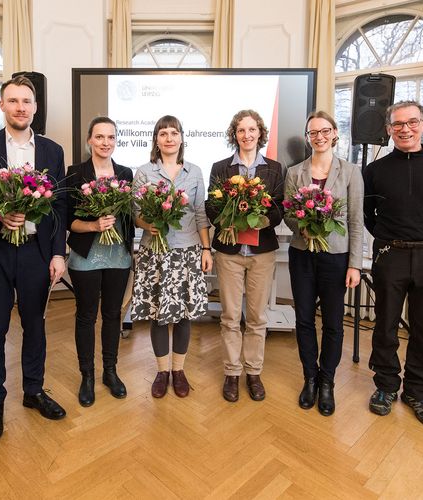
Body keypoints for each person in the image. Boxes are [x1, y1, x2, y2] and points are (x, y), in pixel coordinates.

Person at [0, 76, 68, 441]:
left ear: (35, 107)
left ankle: (34, 391)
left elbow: (58, 205)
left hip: (36, 254)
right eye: (13, 101)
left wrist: (58, 253)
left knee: (35, 326)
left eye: (27, 101)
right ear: (2, 105)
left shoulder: (54, 151)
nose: (20, 107)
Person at [364, 100, 423, 428]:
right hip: (390, 255)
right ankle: (386, 386)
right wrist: (388, 239)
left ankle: (417, 391)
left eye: (412, 122)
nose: (405, 129)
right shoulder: (374, 171)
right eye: (398, 124)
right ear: (389, 130)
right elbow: (366, 215)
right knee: (385, 324)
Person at [284, 111, 363, 416]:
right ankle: (310, 378)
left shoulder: (351, 172)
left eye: (324, 130)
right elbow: (290, 213)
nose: (319, 136)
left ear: (334, 133)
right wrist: (302, 226)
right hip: (302, 254)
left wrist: (355, 265)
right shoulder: (295, 172)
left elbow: (355, 221)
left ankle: (327, 381)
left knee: (332, 322)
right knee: (304, 319)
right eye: (313, 132)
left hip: (337, 257)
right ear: (307, 137)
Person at [205, 109, 285, 403]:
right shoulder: (221, 167)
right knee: (228, 316)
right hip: (229, 253)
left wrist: (257, 219)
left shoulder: (275, 168)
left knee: (256, 316)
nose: (247, 135)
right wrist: (231, 220)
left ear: (260, 133)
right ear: (234, 134)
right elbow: (211, 207)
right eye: (241, 130)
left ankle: (253, 372)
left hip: (262, 252)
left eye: (252, 130)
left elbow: (279, 208)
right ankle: (231, 372)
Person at [132, 115, 213, 398]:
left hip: (188, 251)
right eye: (163, 133)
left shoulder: (195, 171)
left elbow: (200, 214)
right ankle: (161, 371)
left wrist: (206, 249)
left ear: (181, 138)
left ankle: (178, 371)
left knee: (183, 315)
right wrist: (146, 224)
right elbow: (135, 214)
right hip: (154, 252)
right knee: (158, 314)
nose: (169, 138)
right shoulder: (144, 172)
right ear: (156, 139)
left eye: (173, 132)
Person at [65, 117, 134, 407]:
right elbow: (68, 221)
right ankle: (87, 376)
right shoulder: (75, 173)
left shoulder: (126, 173)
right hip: (86, 256)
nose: (105, 142)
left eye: (111, 137)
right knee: (86, 315)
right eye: (100, 137)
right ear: (89, 140)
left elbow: (130, 215)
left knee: (112, 315)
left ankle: (110, 371)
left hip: (119, 255)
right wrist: (94, 226)